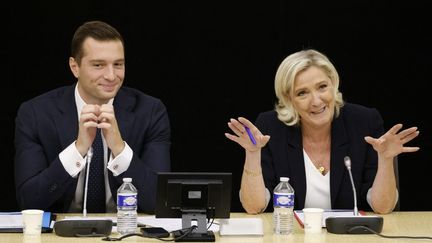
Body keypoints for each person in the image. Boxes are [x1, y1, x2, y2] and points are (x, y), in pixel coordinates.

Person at [225, 49, 419, 214]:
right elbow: (254, 207)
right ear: (288, 99)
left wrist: (385, 161)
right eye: (302, 93)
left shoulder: (364, 122)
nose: (316, 101)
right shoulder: (270, 127)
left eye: (322, 87)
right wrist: (252, 153)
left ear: (333, 84)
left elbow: (382, 208)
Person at [14, 20, 171, 213]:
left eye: (118, 64)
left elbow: (161, 201)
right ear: (75, 67)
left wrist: (119, 149)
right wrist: (77, 150)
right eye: (99, 65)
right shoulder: (36, 113)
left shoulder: (149, 111)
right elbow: (29, 201)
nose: (112, 76)